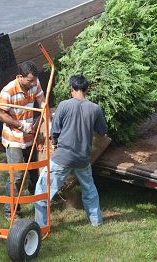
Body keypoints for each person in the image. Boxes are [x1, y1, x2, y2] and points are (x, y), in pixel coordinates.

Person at [34, 74, 108, 227]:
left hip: (63, 158)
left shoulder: (63, 105)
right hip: (83, 159)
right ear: (86, 89)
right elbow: (102, 131)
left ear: (72, 89)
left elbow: (55, 131)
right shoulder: (95, 109)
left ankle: (40, 226)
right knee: (89, 190)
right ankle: (96, 221)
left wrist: (54, 143)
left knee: (42, 190)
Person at [0, 61, 45, 219]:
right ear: (19, 77)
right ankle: (10, 211)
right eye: (29, 80)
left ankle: (35, 196)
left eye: (34, 80)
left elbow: (42, 103)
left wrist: (45, 128)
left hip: (30, 136)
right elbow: (0, 114)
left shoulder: (34, 85)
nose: (33, 84)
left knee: (34, 170)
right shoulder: (8, 91)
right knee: (16, 176)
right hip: (14, 139)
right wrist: (21, 125)